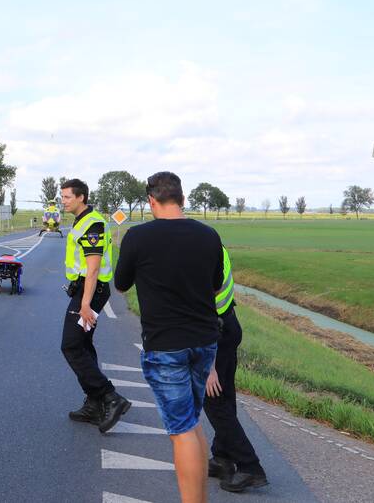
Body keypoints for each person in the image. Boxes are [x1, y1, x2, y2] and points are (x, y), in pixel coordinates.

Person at [114, 171, 222, 503]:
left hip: (166, 346)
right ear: (183, 199)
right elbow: (216, 284)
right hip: (205, 342)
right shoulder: (208, 235)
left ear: (151, 201)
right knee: (193, 422)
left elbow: (121, 284)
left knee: (182, 430)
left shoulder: (138, 236)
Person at [58, 178, 131, 433]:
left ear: (81, 197)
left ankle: (110, 397)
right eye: (62, 196)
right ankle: (94, 403)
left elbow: (93, 267)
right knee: (84, 345)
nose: (63, 201)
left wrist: (86, 304)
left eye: (67, 197)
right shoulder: (82, 220)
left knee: (70, 345)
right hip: (84, 290)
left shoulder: (93, 223)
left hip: (92, 291)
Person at [204, 248, 268, 493]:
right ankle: (222, 457)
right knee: (225, 395)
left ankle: (250, 466)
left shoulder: (200, 253)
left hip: (215, 332)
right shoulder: (216, 248)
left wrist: (209, 367)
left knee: (212, 397)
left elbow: (205, 306)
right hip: (229, 324)